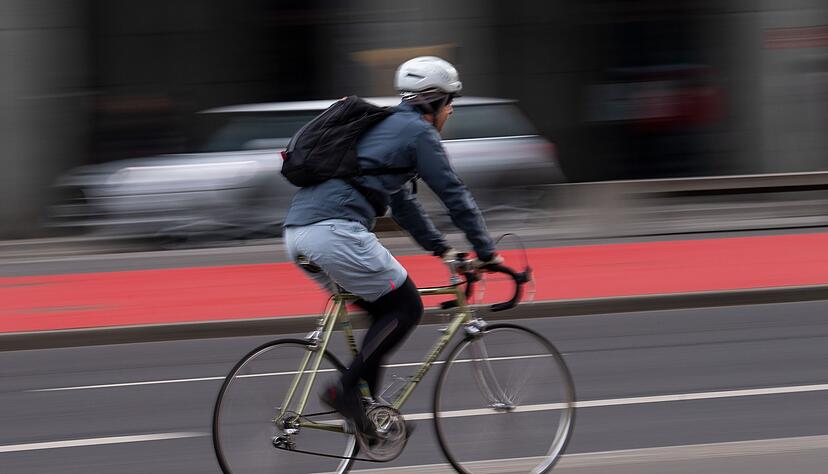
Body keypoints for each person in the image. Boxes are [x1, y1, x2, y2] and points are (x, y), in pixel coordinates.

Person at [283, 56, 501, 436]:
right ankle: (345, 391)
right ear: (432, 101)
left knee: (383, 310)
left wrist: (442, 249)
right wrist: (486, 252)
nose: (451, 111)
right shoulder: (418, 132)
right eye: (450, 102)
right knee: (406, 306)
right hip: (335, 231)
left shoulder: (385, 127)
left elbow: (403, 204)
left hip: (297, 233)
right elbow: (453, 192)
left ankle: (367, 412)